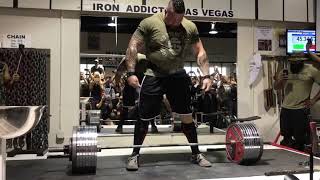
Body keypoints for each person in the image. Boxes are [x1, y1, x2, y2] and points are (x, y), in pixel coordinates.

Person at [125, 0, 213, 171]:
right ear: (167, 12)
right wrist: (131, 72)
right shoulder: (150, 23)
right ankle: (134, 155)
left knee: (187, 115)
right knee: (144, 117)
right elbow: (133, 45)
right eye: (173, 20)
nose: (175, 24)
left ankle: (196, 153)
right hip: (154, 74)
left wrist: (206, 75)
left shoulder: (189, 26)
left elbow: (199, 51)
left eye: (179, 20)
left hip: (177, 74)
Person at [274, 58, 320, 151]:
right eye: (292, 62)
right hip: (285, 109)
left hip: (301, 110)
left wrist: (313, 100)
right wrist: (280, 80)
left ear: (302, 61)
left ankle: (301, 163)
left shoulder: (312, 71)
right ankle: (287, 162)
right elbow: (276, 87)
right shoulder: (285, 71)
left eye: (296, 62)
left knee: (300, 140)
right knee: (286, 139)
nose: (293, 64)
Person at [114, 55, 158, 133]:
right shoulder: (147, 56)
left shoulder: (129, 57)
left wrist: (117, 84)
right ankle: (153, 126)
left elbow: (118, 72)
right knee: (147, 103)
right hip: (142, 80)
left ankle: (120, 126)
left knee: (126, 106)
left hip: (134, 80)